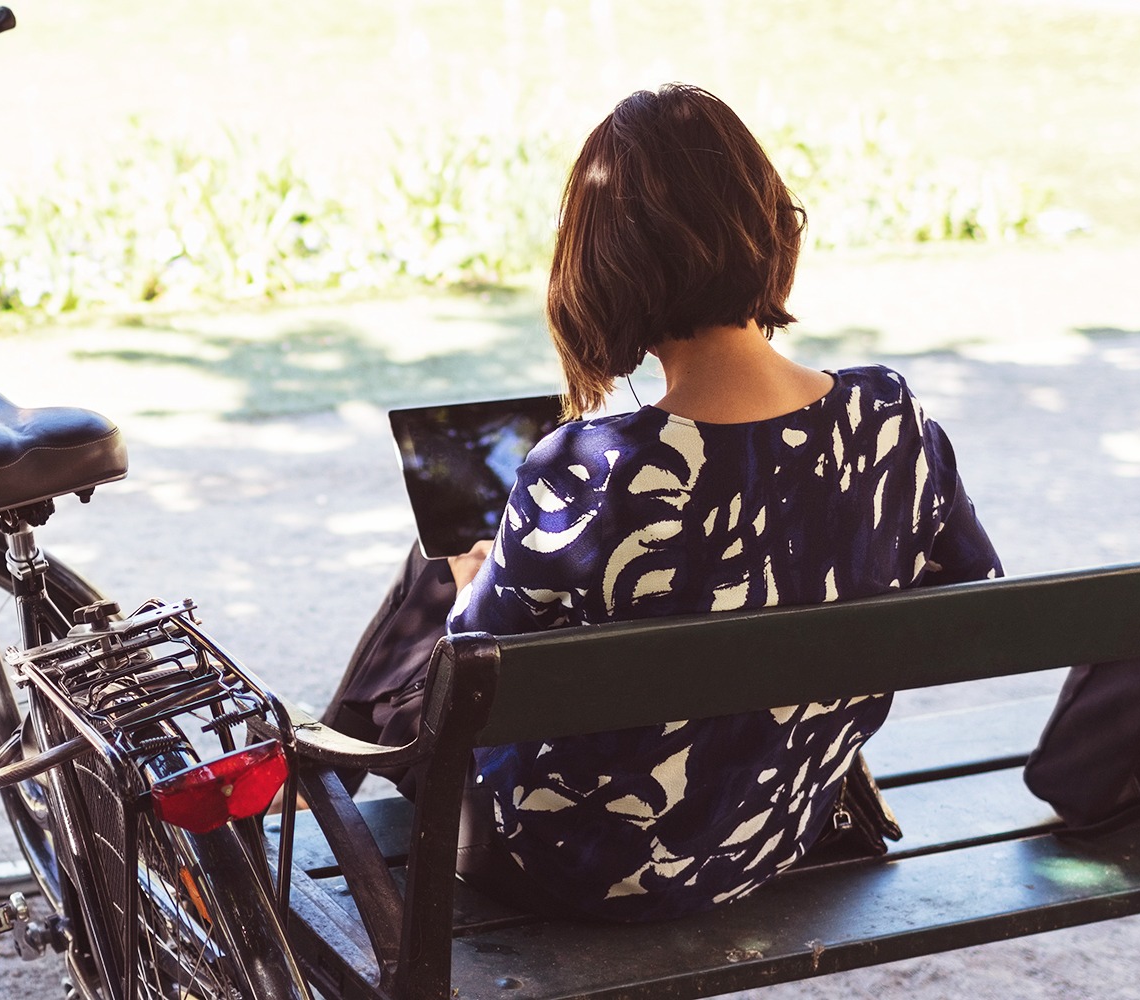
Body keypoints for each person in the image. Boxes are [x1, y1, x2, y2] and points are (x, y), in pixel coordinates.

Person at [322, 83, 1000, 922]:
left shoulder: (586, 470)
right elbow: (970, 593)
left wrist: (468, 587)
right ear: (766, 225)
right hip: (770, 829)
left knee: (432, 585)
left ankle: (311, 790)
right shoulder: (889, 415)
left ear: (606, 265)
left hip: (576, 869)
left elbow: (458, 699)